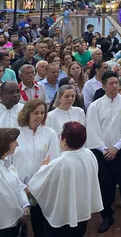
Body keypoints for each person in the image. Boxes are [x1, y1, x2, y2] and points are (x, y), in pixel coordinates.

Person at [85, 71, 121, 234]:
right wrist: (104, 149)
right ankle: (107, 217)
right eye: (111, 83)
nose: (115, 86)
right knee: (105, 186)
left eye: (116, 83)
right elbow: (93, 131)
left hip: (119, 152)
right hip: (102, 153)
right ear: (103, 86)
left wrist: (116, 147)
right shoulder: (95, 106)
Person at [28, 121, 103, 236]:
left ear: (64, 140)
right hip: (81, 210)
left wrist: (43, 166)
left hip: (61, 215)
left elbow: (35, 185)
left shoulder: (59, 163)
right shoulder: (89, 154)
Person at [14, 99, 60, 237]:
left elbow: (52, 162)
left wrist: (35, 186)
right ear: (27, 113)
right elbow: (8, 163)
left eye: (42, 113)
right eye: (35, 113)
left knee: (40, 226)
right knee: (18, 226)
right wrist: (22, 187)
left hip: (41, 188)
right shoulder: (15, 132)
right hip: (18, 187)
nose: (39, 116)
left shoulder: (50, 133)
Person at [0, 127, 30, 237]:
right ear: (4, 143)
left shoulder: (8, 164)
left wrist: (25, 204)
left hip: (15, 222)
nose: (17, 144)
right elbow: (6, 197)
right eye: (14, 141)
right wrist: (21, 212)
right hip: (5, 225)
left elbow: (18, 186)